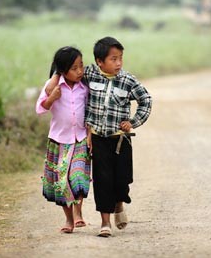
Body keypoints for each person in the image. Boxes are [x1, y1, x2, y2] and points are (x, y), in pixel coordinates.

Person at [46, 36, 152, 237]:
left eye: (120, 58)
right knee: (103, 180)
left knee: (122, 180)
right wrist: (54, 78)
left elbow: (146, 100)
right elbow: (67, 71)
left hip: (121, 140)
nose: (118, 63)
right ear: (99, 62)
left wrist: (134, 121)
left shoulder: (128, 80)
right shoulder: (90, 74)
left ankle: (119, 204)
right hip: (98, 139)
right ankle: (105, 223)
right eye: (113, 59)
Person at [36, 46, 91, 234]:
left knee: (77, 177)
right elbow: (40, 108)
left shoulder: (85, 86)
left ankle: (78, 213)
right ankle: (68, 219)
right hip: (59, 139)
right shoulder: (54, 86)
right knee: (61, 181)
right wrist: (52, 98)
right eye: (74, 68)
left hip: (81, 138)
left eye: (81, 66)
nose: (79, 71)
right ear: (62, 70)